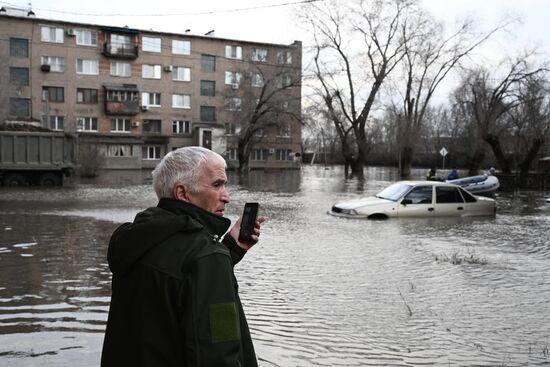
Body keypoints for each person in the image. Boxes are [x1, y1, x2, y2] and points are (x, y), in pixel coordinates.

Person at [101, 146, 266, 367]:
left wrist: (232, 249)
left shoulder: (136, 241)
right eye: (217, 185)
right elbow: (219, 350)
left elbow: (175, 284)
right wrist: (217, 257)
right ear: (182, 193)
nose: (227, 196)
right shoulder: (207, 257)